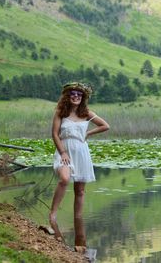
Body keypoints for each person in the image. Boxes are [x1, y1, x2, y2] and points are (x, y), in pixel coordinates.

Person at [49, 82, 109, 228]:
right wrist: (63, 152)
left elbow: (105, 126)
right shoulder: (60, 112)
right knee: (64, 179)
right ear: (67, 96)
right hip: (65, 150)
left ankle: (78, 219)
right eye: (73, 94)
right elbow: (55, 134)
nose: (76, 96)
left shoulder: (86, 113)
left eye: (79, 94)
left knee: (80, 190)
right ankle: (53, 214)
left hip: (81, 151)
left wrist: (88, 133)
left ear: (83, 97)